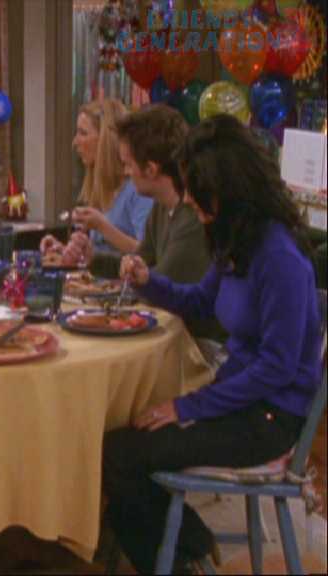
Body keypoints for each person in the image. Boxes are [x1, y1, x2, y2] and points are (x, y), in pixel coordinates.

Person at [102, 114, 322, 574]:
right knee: (119, 445)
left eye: (196, 192)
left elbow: (277, 368)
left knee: (120, 455)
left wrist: (189, 406)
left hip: (269, 418)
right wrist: (148, 281)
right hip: (239, 398)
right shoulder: (237, 239)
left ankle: (183, 556)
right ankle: (191, 547)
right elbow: (200, 301)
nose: (189, 201)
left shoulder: (279, 257)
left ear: (225, 190)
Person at [50, 105, 221, 341]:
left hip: (195, 345)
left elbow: (154, 288)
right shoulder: (161, 207)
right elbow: (139, 267)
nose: (126, 173)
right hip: (168, 334)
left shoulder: (191, 218)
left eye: (128, 165)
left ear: (150, 169)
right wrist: (93, 260)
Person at [41, 99, 153, 257]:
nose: (75, 142)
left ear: (106, 141)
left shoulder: (138, 190)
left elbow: (148, 255)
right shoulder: (102, 189)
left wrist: (102, 227)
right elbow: (101, 255)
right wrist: (66, 251)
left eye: (83, 133)